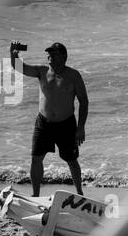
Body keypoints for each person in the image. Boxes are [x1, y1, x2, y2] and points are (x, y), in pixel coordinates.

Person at [9, 41, 88, 196]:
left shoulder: (73, 75)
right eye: (49, 53)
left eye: (54, 53)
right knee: (36, 158)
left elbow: (84, 101)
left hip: (66, 124)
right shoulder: (42, 71)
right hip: (43, 123)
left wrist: (81, 127)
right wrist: (13, 53)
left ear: (64, 56)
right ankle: (35, 195)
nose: (49, 56)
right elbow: (20, 67)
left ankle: (79, 193)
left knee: (71, 160)